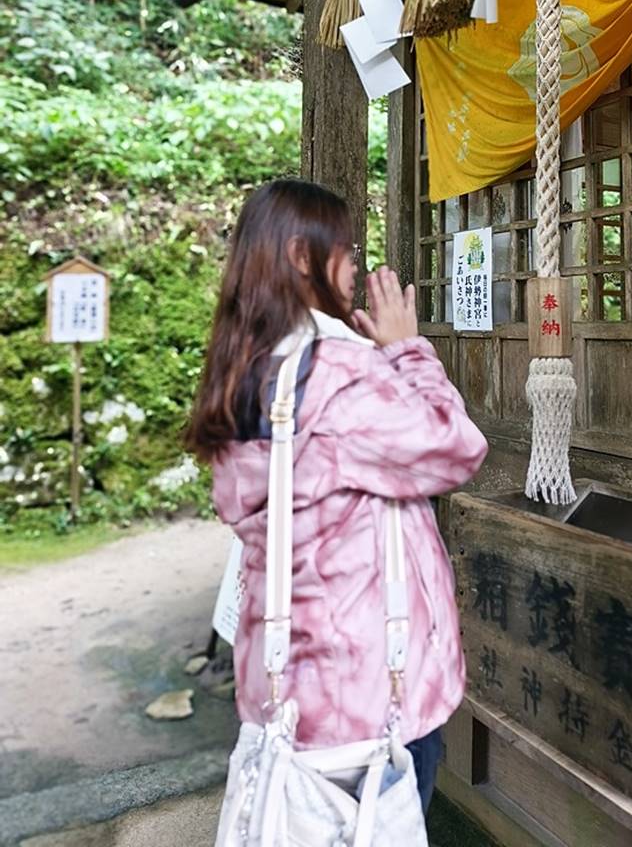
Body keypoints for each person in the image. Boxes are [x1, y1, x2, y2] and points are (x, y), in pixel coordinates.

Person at [186, 178, 488, 816]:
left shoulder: (246, 372)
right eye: (345, 249)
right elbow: (456, 446)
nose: (355, 264)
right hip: (368, 698)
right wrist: (407, 349)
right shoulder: (335, 375)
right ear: (302, 256)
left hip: (289, 694)